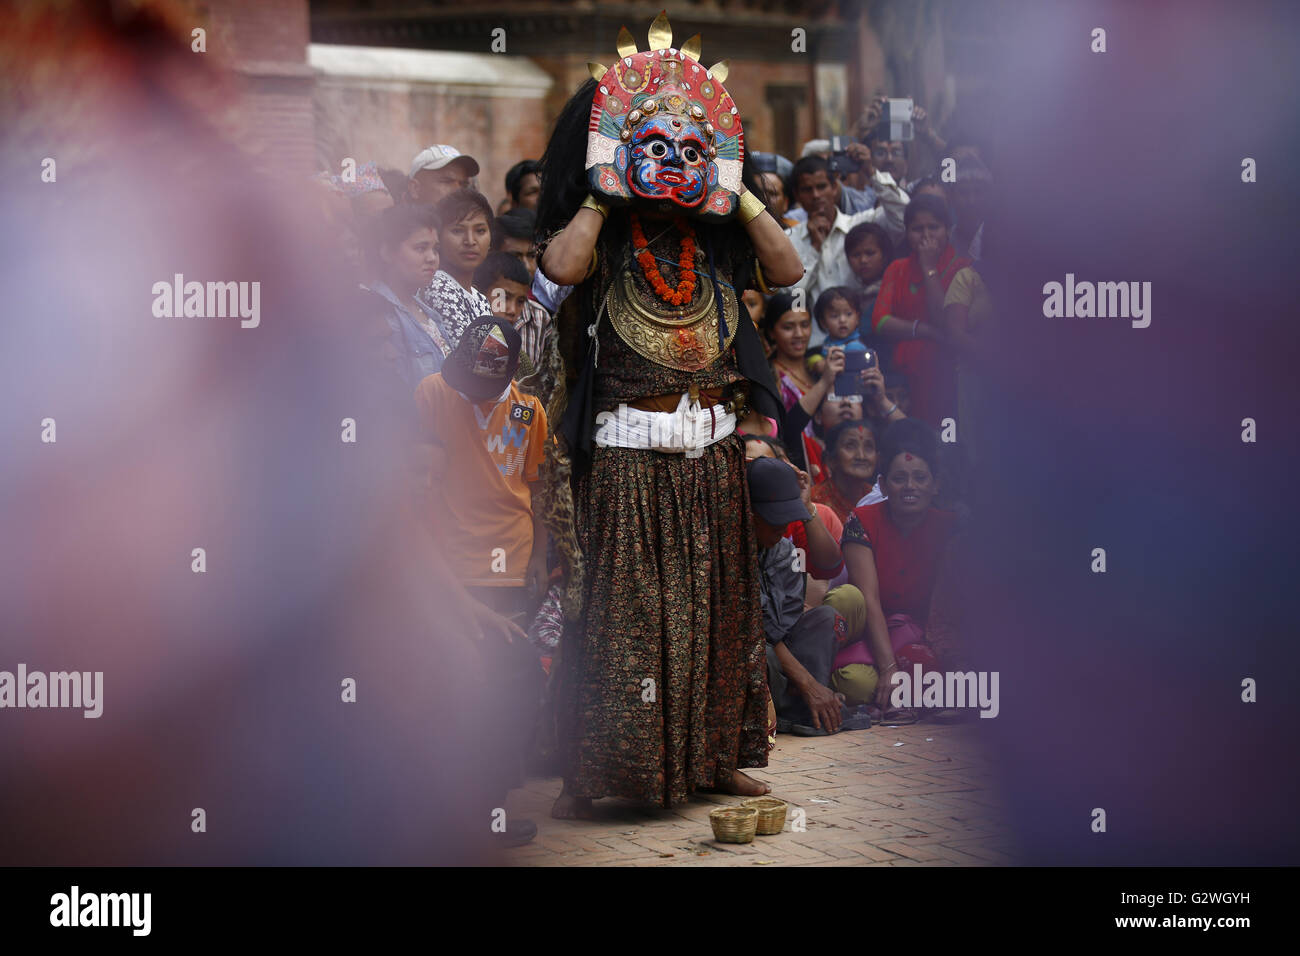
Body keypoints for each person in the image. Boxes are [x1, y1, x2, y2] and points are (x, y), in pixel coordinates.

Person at [535, 13, 804, 817]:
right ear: (619, 148)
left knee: (721, 618)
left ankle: (716, 758)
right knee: (635, 628)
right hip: (627, 461)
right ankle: (626, 773)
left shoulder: (719, 244)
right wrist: (605, 189)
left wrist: (736, 184)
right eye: (654, 146)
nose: (675, 164)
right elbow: (559, 265)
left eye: (693, 150)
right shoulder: (607, 237)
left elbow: (789, 266)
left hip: (712, 457)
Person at [413, 317, 550, 619]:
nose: (472, 393)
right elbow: (412, 480)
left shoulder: (528, 407)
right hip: (447, 559)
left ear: (513, 371)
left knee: (502, 656)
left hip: (512, 561)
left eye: (482, 387)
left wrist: (540, 555)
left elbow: (542, 488)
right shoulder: (431, 393)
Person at [838, 419, 959, 714]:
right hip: (875, 633)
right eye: (899, 478)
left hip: (929, 636)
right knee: (856, 683)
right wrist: (889, 667)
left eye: (920, 477)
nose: (910, 487)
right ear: (882, 485)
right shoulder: (862, 520)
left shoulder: (951, 527)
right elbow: (869, 599)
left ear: (936, 484)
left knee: (923, 667)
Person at [748, 458, 869, 736]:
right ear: (749, 512)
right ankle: (793, 707)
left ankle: (805, 710)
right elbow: (756, 629)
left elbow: (786, 624)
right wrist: (808, 684)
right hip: (758, 653)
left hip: (784, 654)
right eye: (772, 517)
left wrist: (811, 684)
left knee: (825, 617)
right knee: (758, 650)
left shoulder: (784, 552)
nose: (782, 526)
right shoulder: (724, 551)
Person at [869, 193, 972, 427]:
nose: (926, 236)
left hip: (946, 375)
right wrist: (924, 330)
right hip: (904, 380)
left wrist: (928, 267)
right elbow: (880, 322)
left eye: (933, 227)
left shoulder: (963, 269)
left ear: (947, 229)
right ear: (907, 232)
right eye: (917, 229)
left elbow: (944, 322)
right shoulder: (898, 268)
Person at [786, 154, 909, 335]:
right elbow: (791, 296)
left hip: (863, 339)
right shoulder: (789, 239)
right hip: (814, 347)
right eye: (807, 190)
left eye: (821, 187)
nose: (816, 195)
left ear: (835, 187)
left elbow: (903, 215)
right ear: (797, 195)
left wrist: (871, 172)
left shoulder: (861, 226)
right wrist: (814, 248)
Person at [360, 203, 453, 389]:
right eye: (420, 248)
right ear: (387, 252)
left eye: (435, 249)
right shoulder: (381, 315)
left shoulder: (427, 311)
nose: (432, 258)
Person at [418, 188, 494, 346]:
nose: (470, 241)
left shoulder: (480, 299)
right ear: (439, 237)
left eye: (480, 230)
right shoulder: (438, 286)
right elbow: (469, 360)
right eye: (458, 230)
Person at [474, 250, 551, 375]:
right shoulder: (466, 331)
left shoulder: (540, 320)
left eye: (520, 301)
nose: (512, 310)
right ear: (480, 293)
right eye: (503, 298)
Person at [812, 418, 884, 522]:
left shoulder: (878, 499)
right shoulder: (814, 503)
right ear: (830, 459)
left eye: (868, 447)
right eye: (850, 446)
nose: (861, 456)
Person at [844, 221, 895, 322]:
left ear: (884, 255)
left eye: (870, 253)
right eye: (856, 255)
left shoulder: (895, 290)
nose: (863, 260)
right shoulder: (851, 298)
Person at [407, 144, 480, 206]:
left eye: (464, 184)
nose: (459, 190)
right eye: (446, 181)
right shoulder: (398, 222)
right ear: (415, 188)